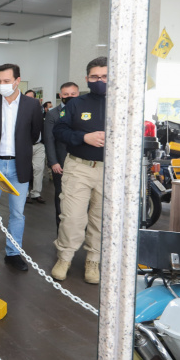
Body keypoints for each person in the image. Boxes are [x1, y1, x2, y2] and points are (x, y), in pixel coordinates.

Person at [0, 64, 43, 271]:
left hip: (18, 165)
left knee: (17, 212)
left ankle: (13, 253)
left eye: (6, 81)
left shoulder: (32, 105)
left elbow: (34, 134)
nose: (2, 85)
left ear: (17, 81)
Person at [52, 58, 108, 284]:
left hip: (109, 172)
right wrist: (83, 137)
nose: (100, 81)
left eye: (105, 76)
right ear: (87, 79)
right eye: (95, 77)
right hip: (78, 167)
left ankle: (93, 260)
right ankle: (64, 257)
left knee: (100, 219)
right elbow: (59, 130)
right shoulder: (76, 103)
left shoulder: (123, 102)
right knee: (73, 217)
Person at [44, 82, 80, 231]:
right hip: (60, 163)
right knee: (61, 196)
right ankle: (61, 230)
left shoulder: (84, 111)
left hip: (82, 162)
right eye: (66, 95)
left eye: (73, 94)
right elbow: (49, 139)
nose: (69, 97)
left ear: (78, 94)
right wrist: (53, 162)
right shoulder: (53, 114)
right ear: (60, 96)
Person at [24, 90, 47, 205]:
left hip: (39, 145)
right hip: (26, 145)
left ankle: (36, 193)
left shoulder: (41, 111)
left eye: (31, 98)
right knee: (26, 170)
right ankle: (25, 194)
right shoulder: (21, 112)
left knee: (39, 169)